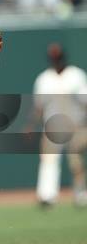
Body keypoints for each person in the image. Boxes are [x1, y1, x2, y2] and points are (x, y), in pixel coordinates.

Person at [33, 44, 87, 207]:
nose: (57, 61)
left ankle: (80, 194)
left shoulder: (76, 75)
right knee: (49, 161)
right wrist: (31, 124)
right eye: (54, 58)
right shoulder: (44, 79)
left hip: (76, 124)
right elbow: (39, 107)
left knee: (76, 162)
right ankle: (47, 196)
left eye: (58, 57)